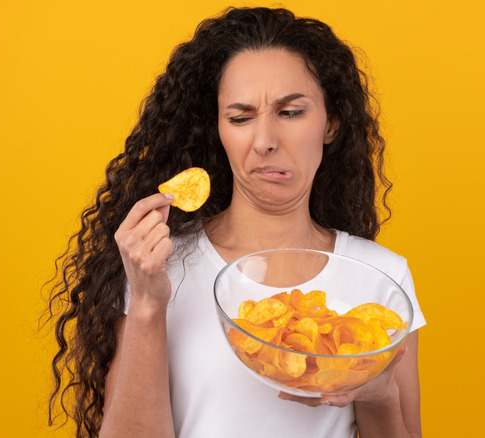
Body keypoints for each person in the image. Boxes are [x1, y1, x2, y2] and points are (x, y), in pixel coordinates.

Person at [45, 7, 426, 438]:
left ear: (331, 123)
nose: (264, 142)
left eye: (291, 112)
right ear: (219, 130)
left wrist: (377, 395)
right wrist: (149, 303)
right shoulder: (158, 265)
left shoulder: (384, 277)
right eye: (241, 118)